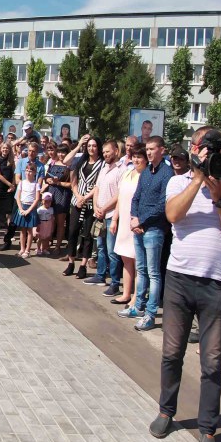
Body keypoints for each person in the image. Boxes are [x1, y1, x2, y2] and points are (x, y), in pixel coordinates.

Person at [147, 127, 221, 442]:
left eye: (211, 150)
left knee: (211, 361)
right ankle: (166, 411)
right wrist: (197, 178)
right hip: (179, 279)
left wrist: (218, 194)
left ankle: (208, 429)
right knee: (172, 352)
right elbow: (173, 215)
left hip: (215, 283)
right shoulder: (177, 180)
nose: (205, 154)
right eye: (202, 149)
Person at [126, 136, 173, 331]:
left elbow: (163, 204)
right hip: (139, 227)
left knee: (154, 273)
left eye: (153, 149)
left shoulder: (167, 173)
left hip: (154, 229)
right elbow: (136, 197)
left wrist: (142, 220)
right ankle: (138, 306)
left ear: (162, 150)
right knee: (142, 270)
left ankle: (151, 313)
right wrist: (133, 218)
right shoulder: (146, 172)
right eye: (148, 149)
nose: (149, 152)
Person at [112, 143, 146, 309]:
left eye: (140, 156)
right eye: (134, 156)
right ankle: (126, 293)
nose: (136, 159)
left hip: (136, 223)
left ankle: (136, 297)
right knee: (126, 258)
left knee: (138, 261)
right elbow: (120, 197)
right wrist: (114, 219)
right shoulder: (127, 173)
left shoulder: (146, 175)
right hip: (124, 221)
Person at [88, 140, 123, 291]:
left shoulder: (121, 170)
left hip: (111, 215)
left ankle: (115, 282)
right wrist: (96, 207)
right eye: (104, 152)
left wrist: (104, 208)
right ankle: (100, 275)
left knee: (112, 250)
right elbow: (97, 188)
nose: (105, 154)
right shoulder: (103, 168)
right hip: (100, 214)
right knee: (101, 247)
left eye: (108, 151)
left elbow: (119, 195)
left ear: (116, 151)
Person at [68, 138, 104, 280]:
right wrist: (78, 196)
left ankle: (83, 265)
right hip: (77, 201)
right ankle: (71, 262)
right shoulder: (81, 162)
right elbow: (74, 181)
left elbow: (98, 186)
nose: (91, 148)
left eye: (94, 146)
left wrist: (86, 197)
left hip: (90, 202)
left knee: (88, 235)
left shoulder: (102, 164)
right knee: (72, 232)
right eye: (89, 146)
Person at [13, 159, 43, 258]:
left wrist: (28, 210)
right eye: (26, 170)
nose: (28, 172)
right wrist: (21, 209)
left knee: (30, 231)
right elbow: (18, 197)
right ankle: (22, 249)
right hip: (22, 207)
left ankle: (27, 250)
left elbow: (37, 199)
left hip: (31, 208)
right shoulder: (21, 183)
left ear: (35, 172)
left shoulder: (36, 184)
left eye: (30, 171)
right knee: (22, 230)